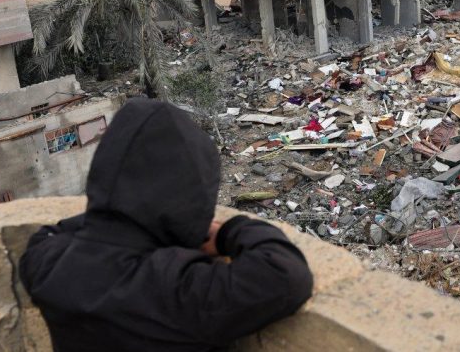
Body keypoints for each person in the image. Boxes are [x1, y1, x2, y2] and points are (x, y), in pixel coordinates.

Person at [19, 99, 314, 351]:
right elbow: (286, 274)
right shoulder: (175, 291)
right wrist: (225, 232)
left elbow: (56, 231)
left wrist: (110, 212)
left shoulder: (45, 261)